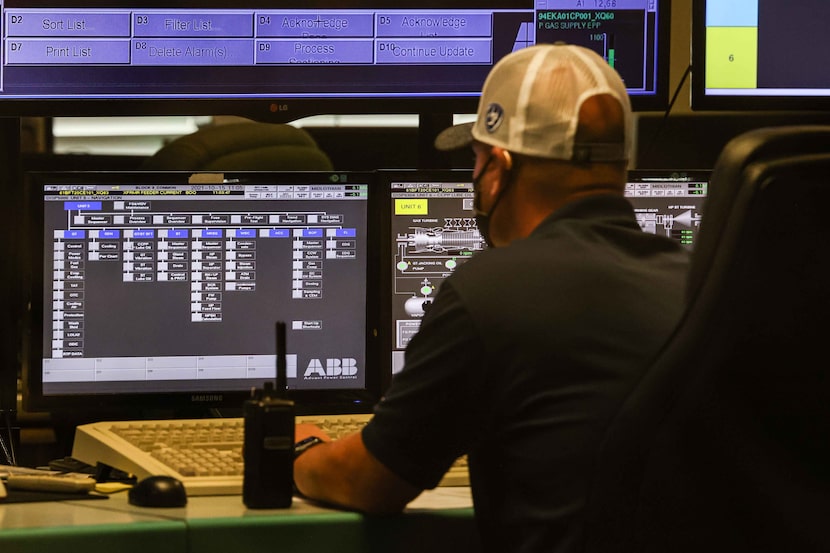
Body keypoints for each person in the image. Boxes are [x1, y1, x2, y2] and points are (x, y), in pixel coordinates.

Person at [293, 43, 690, 552]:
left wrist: (299, 446)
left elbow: (369, 482)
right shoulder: (701, 284)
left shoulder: (488, 293)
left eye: (475, 161)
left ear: (499, 167)